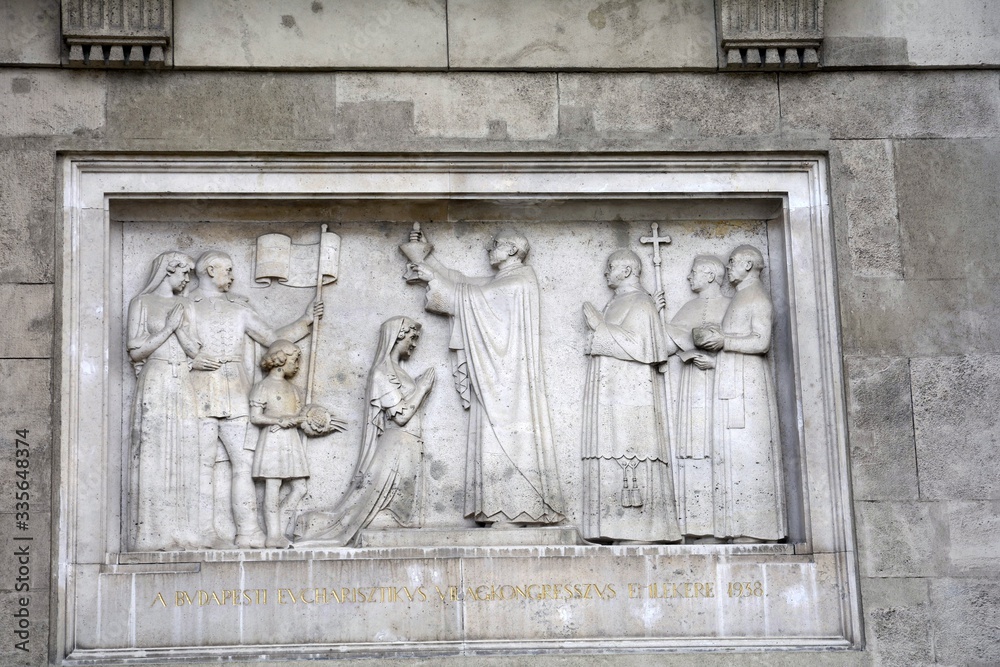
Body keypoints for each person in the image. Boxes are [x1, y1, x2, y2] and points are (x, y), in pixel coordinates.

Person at [409, 230, 564, 526]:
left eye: (495, 245)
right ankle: (498, 511)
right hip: (494, 378)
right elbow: (466, 285)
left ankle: (516, 511)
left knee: (507, 437)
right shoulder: (504, 281)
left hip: (508, 384)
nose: (489, 249)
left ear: (513, 249)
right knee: (492, 435)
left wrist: (431, 278)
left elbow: (469, 299)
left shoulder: (518, 281)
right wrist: (426, 259)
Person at [187, 250, 322, 549]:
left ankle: (248, 531)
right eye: (229, 270)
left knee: (244, 463)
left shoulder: (240, 307)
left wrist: (305, 320)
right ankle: (204, 531)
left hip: (237, 389)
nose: (233, 276)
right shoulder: (185, 304)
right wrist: (191, 362)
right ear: (211, 270)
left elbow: (271, 338)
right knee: (202, 463)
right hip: (198, 390)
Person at [295, 317, 435, 546]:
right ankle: (315, 526)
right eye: (411, 337)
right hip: (397, 446)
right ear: (398, 335)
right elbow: (401, 416)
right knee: (381, 514)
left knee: (400, 517)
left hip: (410, 443)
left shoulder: (401, 373)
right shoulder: (381, 373)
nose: (414, 344)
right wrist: (421, 388)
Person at [580, 249, 681, 543]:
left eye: (611, 267)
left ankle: (641, 532)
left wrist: (600, 329)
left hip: (630, 394)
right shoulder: (619, 302)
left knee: (634, 451)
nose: (605, 273)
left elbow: (643, 347)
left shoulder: (640, 303)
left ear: (626, 271)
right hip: (609, 393)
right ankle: (611, 529)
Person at [694, 245, 786, 542]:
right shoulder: (741, 297)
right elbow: (736, 343)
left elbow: (760, 342)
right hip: (733, 382)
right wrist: (716, 358)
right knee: (732, 456)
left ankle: (755, 530)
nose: (728, 266)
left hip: (748, 389)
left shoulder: (757, 297)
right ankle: (736, 529)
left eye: (732, 262)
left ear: (748, 264)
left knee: (749, 455)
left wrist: (723, 341)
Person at [126, 251, 203, 550]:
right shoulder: (141, 303)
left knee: (184, 449)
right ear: (168, 271)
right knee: (154, 450)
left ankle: (183, 531)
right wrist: (169, 328)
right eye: (184, 273)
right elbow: (136, 352)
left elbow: (194, 349)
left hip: (181, 380)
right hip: (155, 379)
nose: (187, 280)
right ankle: (151, 533)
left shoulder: (185, 305)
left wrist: (180, 330)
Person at [666, 255, 731, 539]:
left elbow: (741, 345)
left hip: (723, 388)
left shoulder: (732, 306)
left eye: (693, 272)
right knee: (693, 451)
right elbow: (669, 343)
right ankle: (696, 527)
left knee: (721, 452)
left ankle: (726, 526)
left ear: (709, 275)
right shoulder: (689, 307)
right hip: (693, 386)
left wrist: (717, 361)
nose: (688, 277)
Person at [249, 340, 311, 549]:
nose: (297, 365)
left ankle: (279, 525)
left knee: (300, 487)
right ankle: (273, 535)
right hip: (273, 438)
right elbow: (256, 417)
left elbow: (300, 416)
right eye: (295, 360)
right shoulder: (263, 386)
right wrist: (279, 420)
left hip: (290, 439)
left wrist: (308, 419)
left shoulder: (293, 389)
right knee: (272, 486)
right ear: (280, 360)